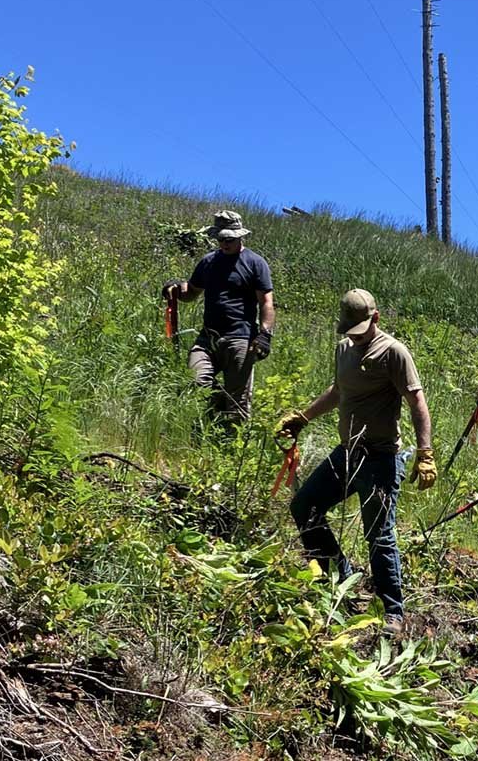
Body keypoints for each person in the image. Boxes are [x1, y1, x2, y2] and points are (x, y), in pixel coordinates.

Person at [276, 289, 437, 636]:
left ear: (376, 319)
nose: (355, 335)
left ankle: (394, 612)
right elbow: (338, 392)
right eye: (350, 329)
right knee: (305, 506)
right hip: (348, 452)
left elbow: (417, 403)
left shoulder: (394, 352)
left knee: (379, 535)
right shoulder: (343, 349)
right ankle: (340, 574)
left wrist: (425, 453)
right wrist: (303, 417)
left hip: (380, 458)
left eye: (361, 328)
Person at [162, 210, 274, 423]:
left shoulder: (255, 263)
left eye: (229, 239)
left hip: (240, 339)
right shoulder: (208, 262)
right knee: (196, 381)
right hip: (208, 338)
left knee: (238, 400)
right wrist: (175, 288)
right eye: (220, 238)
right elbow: (192, 292)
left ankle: (233, 446)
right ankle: (218, 403)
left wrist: (265, 334)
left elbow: (266, 302)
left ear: (240, 236)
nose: (224, 243)